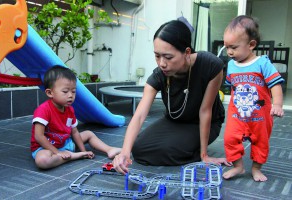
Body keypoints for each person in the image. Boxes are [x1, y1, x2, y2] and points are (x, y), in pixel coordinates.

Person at [112, 19, 231, 175]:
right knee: (138, 148)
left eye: (168, 57)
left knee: (171, 149)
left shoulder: (211, 65)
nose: (162, 63)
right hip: (175, 120)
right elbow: (140, 115)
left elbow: (205, 110)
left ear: (187, 52)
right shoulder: (159, 75)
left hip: (203, 122)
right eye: (157, 56)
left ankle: (195, 152)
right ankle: (183, 146)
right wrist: (125, 153)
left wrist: (204, 156)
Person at [222, 15, 284, 182]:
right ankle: (238, 166)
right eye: (226, 47)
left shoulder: (263, 63)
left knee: (261, 142)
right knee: (229, 138)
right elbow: (233, 87)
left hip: (260, 116)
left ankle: (256, 169)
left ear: (251, 45)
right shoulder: (231, 65)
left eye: (233, 47)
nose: (229, 52)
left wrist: (277, 104)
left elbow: (275, 84)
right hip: (237, 114)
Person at [31, 66, 121, 169]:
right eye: (65, 92)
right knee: (42, 161)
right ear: (50, 93)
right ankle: (73, 156)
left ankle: (109, 149)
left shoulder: (70, 110)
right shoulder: (43, 110)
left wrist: (84, 151)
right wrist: (57, 152)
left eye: (73, 91)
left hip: (65, 144)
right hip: (45, 148)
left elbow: (74, 132)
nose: (70, 95)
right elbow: (39, 136)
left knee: (88, 134)